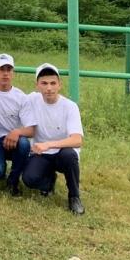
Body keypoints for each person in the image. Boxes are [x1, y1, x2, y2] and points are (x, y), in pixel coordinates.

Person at [22, 63, 85, 215]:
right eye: (44, 83)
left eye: (53, 83)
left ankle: (74, 197)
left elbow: (77, 140)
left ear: (59, 85)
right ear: (37, 85)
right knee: (29, 179)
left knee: (69, 155)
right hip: (41, 153)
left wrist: (49, 145)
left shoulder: (69, 106)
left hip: (62, 153)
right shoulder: (31, 99)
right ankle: (49, 180)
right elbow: (9, 93)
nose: (49, 88)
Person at [0, 54, 33, 197]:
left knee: (24, 144)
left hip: (11, 140)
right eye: (1, 69)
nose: (5, 73)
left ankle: (14, 180)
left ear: (13, 73)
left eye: (9, 69)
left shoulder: (21, 97)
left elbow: (31, 129)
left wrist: (16, 132)